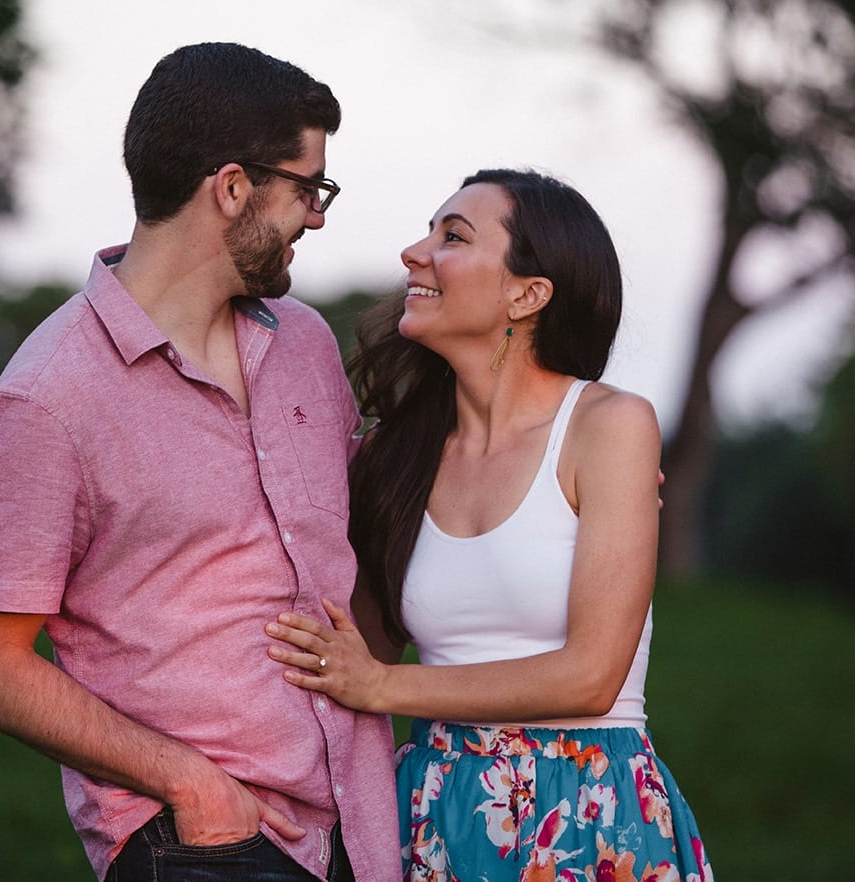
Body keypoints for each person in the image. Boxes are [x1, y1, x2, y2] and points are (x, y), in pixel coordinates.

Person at [0, 43, 399, 882]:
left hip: (356, 828)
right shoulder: (46, 401)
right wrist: (187, 783)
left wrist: (558, 460)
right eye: (307, 189)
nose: (319, 216)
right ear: (231, 188)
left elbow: (363, 508)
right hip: (200, 845)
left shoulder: (300, 343)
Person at [265, 169, 713, 881]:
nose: (415, 252)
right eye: (429, 231)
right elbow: (353, 651)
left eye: (452, 237)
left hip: (589, 808)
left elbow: (590, 678)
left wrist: (382, 687)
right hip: (434, 812)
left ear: (527, 294)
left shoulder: (608, 427)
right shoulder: (393, 454)